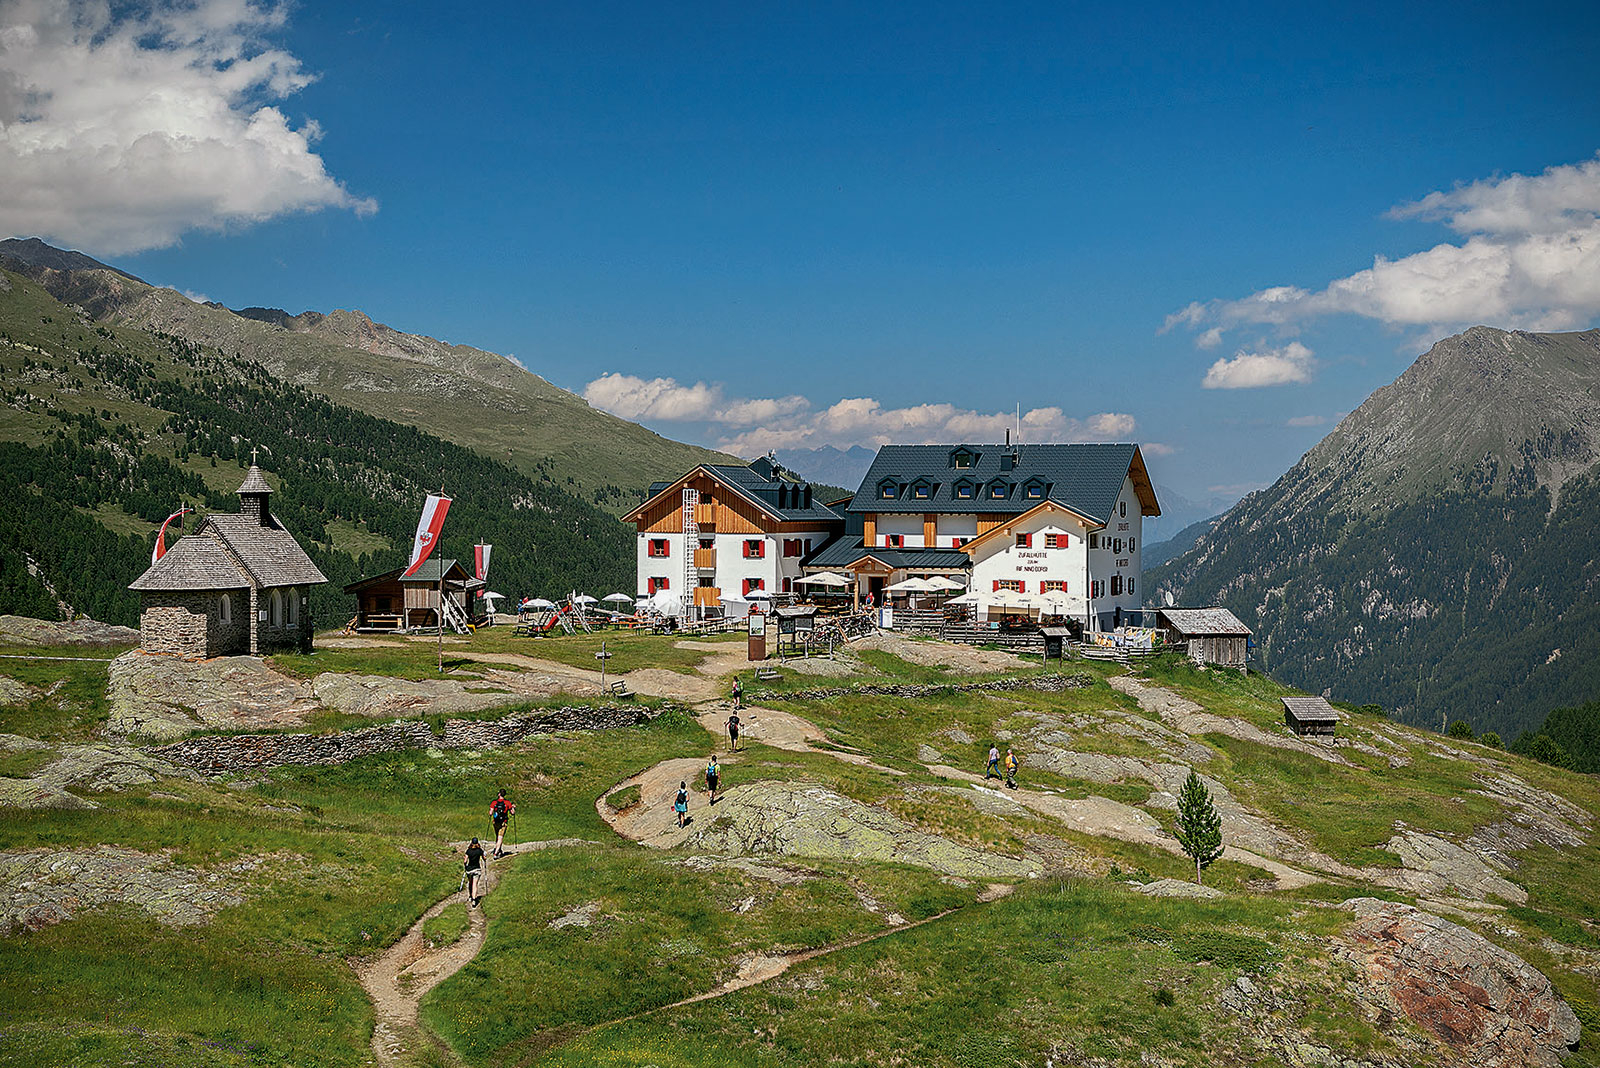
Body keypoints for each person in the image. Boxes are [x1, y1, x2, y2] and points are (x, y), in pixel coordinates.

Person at [489, 789, 515, 857]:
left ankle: (498, 850)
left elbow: (490, 813)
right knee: (500, 837)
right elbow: (512, 813)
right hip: (503, 822)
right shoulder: (507, 803)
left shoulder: (494, 802)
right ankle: (496, 853)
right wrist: (512, 807)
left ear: (499, 794)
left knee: (497, 836)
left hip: (495, 822)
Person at [464, 837, 486, 908]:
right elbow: (484, 858)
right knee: (475, 884)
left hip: (469, 870)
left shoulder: (468, 851)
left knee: (470, 883)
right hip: (477, 869)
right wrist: (484, 855)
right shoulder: (479, 850)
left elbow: (465, 860)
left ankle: (470, 896)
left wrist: (465, 866)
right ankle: (474, 900)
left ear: (471, 843)